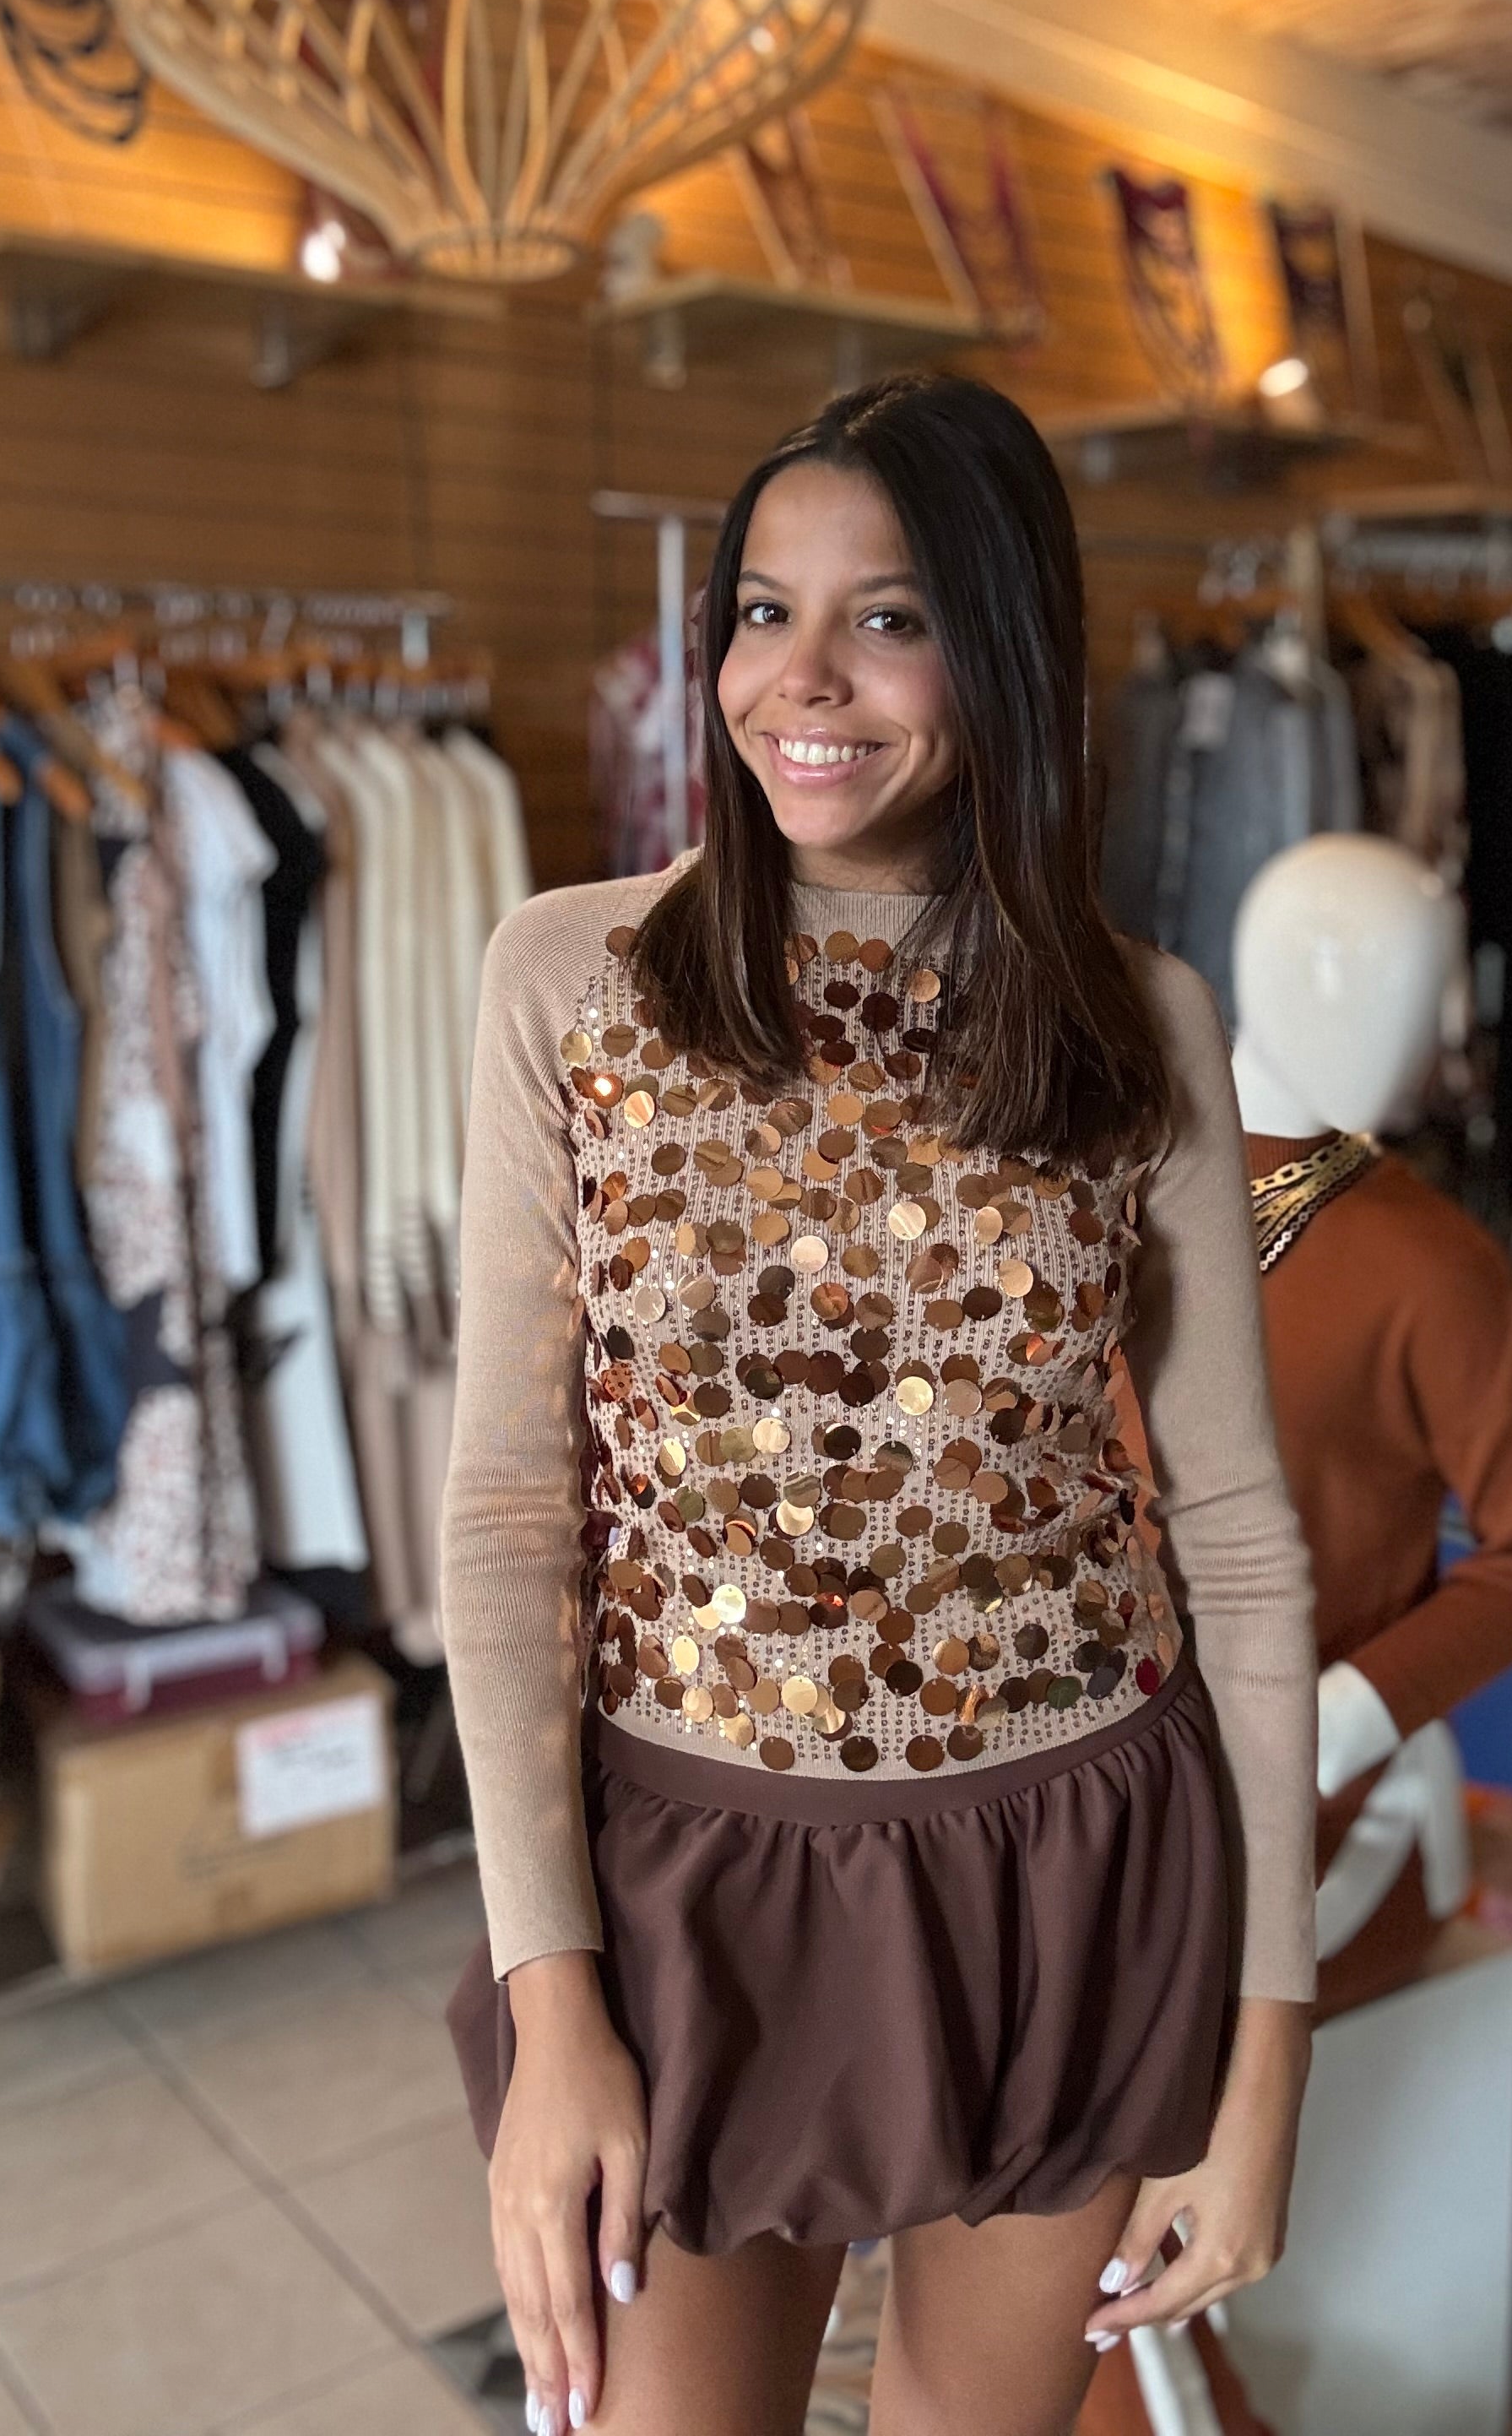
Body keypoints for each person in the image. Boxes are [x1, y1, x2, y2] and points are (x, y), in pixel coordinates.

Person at [442, 372, 1318, 2436]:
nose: (799, 678)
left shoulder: (1136, 1020)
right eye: (761, 610)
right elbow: (505, 1518)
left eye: (890, 616)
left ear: (1003, 649)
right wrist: (544, 1999)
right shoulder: (576, 979)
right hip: (689, 1879)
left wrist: (1267, 2051)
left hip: (1069, 1865)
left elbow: (1246, 1543)